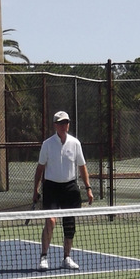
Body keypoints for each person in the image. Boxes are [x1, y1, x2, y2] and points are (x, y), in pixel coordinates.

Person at [33, 110, 94, 270]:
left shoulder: (75, 143)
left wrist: (88, 188)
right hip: (51, 187)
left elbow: (82, 166)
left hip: (70, 188)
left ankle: (66, 258)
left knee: (69, 223)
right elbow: (40, 169)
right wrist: (36, 189)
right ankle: (43, 257)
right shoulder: (47, 144)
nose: (64, 125)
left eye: (66, 122)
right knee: (51, 221)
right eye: (60, 123)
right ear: (55, 125)